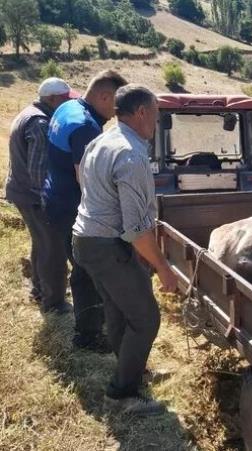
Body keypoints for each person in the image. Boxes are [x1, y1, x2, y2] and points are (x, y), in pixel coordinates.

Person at [72, 84, 178, 416]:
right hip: (108, 246)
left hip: (87, 240)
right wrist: (163, 268)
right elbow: (136, 229)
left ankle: (129, 369)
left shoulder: (100, 141)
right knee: (146, 318)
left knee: (118, 310)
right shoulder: (131, 155)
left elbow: (83, 182)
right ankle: (121, 395)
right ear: (143, 113)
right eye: (157, 114)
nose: (157, 122)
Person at [41, 70, 128, 352]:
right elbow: (87, 179)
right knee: (86, 270)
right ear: (103, 96)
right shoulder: (85, 126)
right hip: (70, 206)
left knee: (80, 266)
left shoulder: (69, 106)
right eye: (116, 106)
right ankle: (88, 336)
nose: (117, 115)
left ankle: (90, 324)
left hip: (55, 197)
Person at [4, 77, 76, 312]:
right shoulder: (40, 123)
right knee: (53, 249)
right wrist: (49, 201)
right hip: (34, 196)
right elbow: (38, 171)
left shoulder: (28, 112)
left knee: (41, 243)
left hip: (22, 192)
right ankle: (54, 303)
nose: (67, 105)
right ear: (52, 99)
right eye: (64, 100)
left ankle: (39, 290)